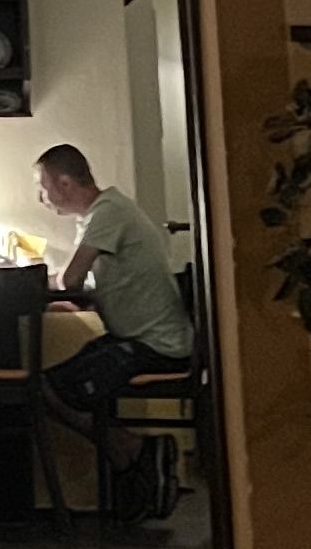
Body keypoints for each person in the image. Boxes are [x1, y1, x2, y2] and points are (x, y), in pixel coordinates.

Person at [34, 142, 194, 527]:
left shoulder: (108, 212)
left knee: (45, 390)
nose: (41, 197)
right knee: (44, 388)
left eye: (43, 186)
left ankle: (133, 452)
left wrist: (56, 286)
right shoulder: (106, 212)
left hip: (155, 346)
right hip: (138, 339)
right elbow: (100, 283)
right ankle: (135, 454)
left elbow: (71, 279)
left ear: (65, 182)